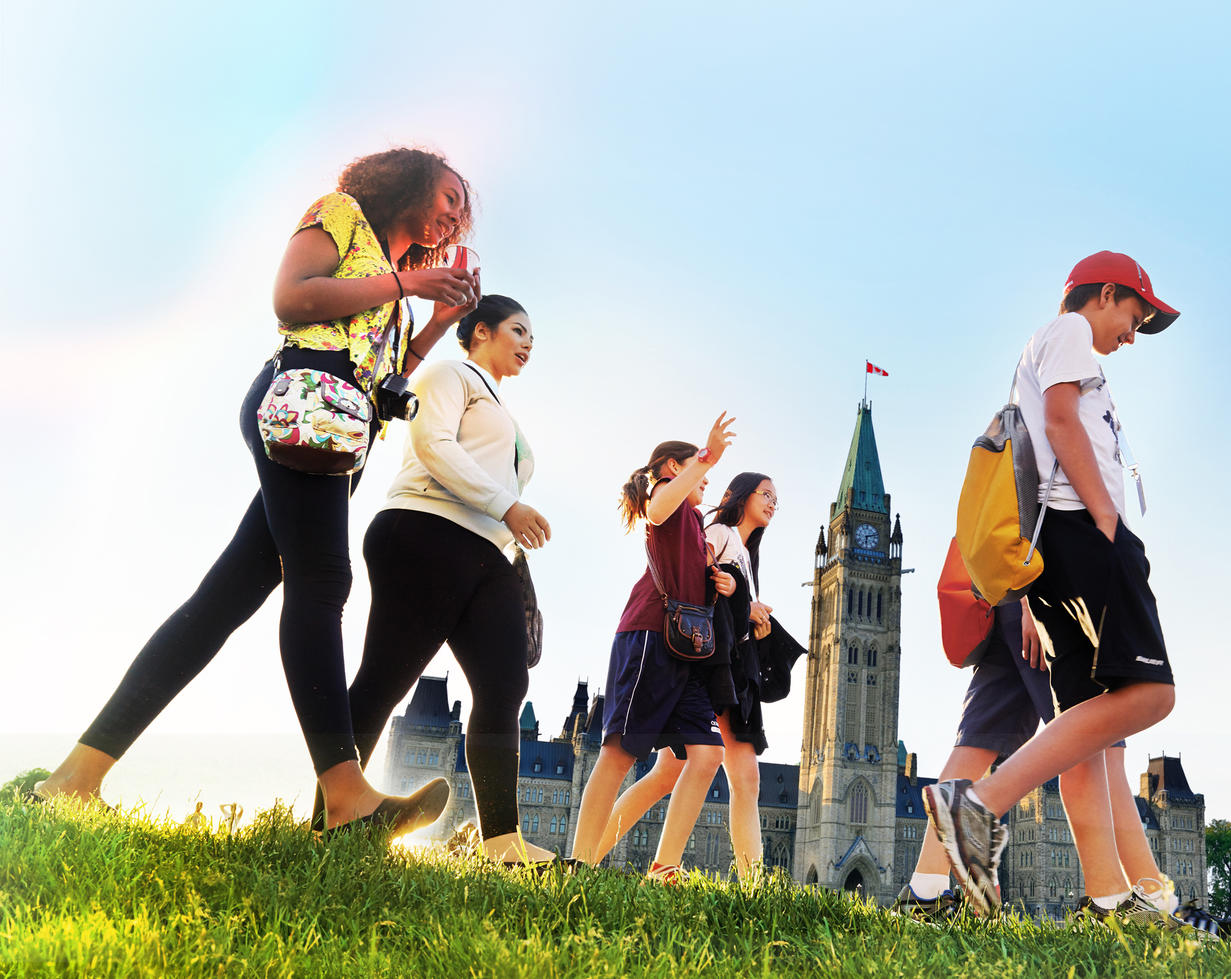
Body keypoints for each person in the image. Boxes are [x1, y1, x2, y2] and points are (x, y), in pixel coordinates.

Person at [34, 148, 482, 839]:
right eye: (448, 194)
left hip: (337, 433)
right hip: (299, 406)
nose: (456, 210)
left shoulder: (395, 284)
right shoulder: (341, 216)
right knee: (323, 581)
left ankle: (75, 778)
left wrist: (435, 322)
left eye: (463, 205)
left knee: (218, 605)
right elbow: (293, 296)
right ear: (409, 182)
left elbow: (388, 374)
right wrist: (407, 285)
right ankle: (346, 795)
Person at [925, 251, 1183, 921]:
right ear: (1103, 294)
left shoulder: (1049, 348)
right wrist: (1107, 519)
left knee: (1084, 726)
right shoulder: (1068, 332)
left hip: (1053, 544)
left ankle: (1107, 895)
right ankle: (979, 802)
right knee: (1152, 693)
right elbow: (1064, 423)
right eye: (1135, 314)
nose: (1133, 332)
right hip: (1082, 531)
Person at [325, 295, 556, 864]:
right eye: (518, 331)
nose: (528, 344)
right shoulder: (449, 373)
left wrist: (506, 530)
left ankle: (502, 842)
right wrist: (507, 506)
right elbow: (433, 444)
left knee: (505, 685)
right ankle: (331, 818)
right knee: (385, 677)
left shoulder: (503, 407)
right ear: (481, 332)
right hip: (425, 531)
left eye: (533, 337)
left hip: (487, 552)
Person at [898, 597, 1231, 942]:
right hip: (1040, 596)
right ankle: (1139, 901)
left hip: (1005, 596)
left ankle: (924, 893)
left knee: (978, 742)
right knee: (1098, 738)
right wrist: (1030, 601)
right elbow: (1031, 524)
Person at [591, 472, 782, 878]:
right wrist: (741, 600)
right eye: (765, 495)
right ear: (741, 496)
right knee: (727, 775)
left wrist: (751, 617)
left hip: (726, 664)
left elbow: (727, 604)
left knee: (690, 774)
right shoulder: (721, 531)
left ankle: (596, 857)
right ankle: (600, 856)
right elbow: (692, 573)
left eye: (775, 500)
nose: (771, 504)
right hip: (711, 667)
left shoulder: (746, 551)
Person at [569, 420, 738, 880]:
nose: (706, 478)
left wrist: (720, 581)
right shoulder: (665, 495)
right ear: (671, 467)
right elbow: (659, 510)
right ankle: (580, 864)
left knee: (708, 754)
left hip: (685, 648)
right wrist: (709, 455)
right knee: (620, 751)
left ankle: (664, 865)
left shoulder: (695, 522)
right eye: (697, 468)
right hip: (648, 637)